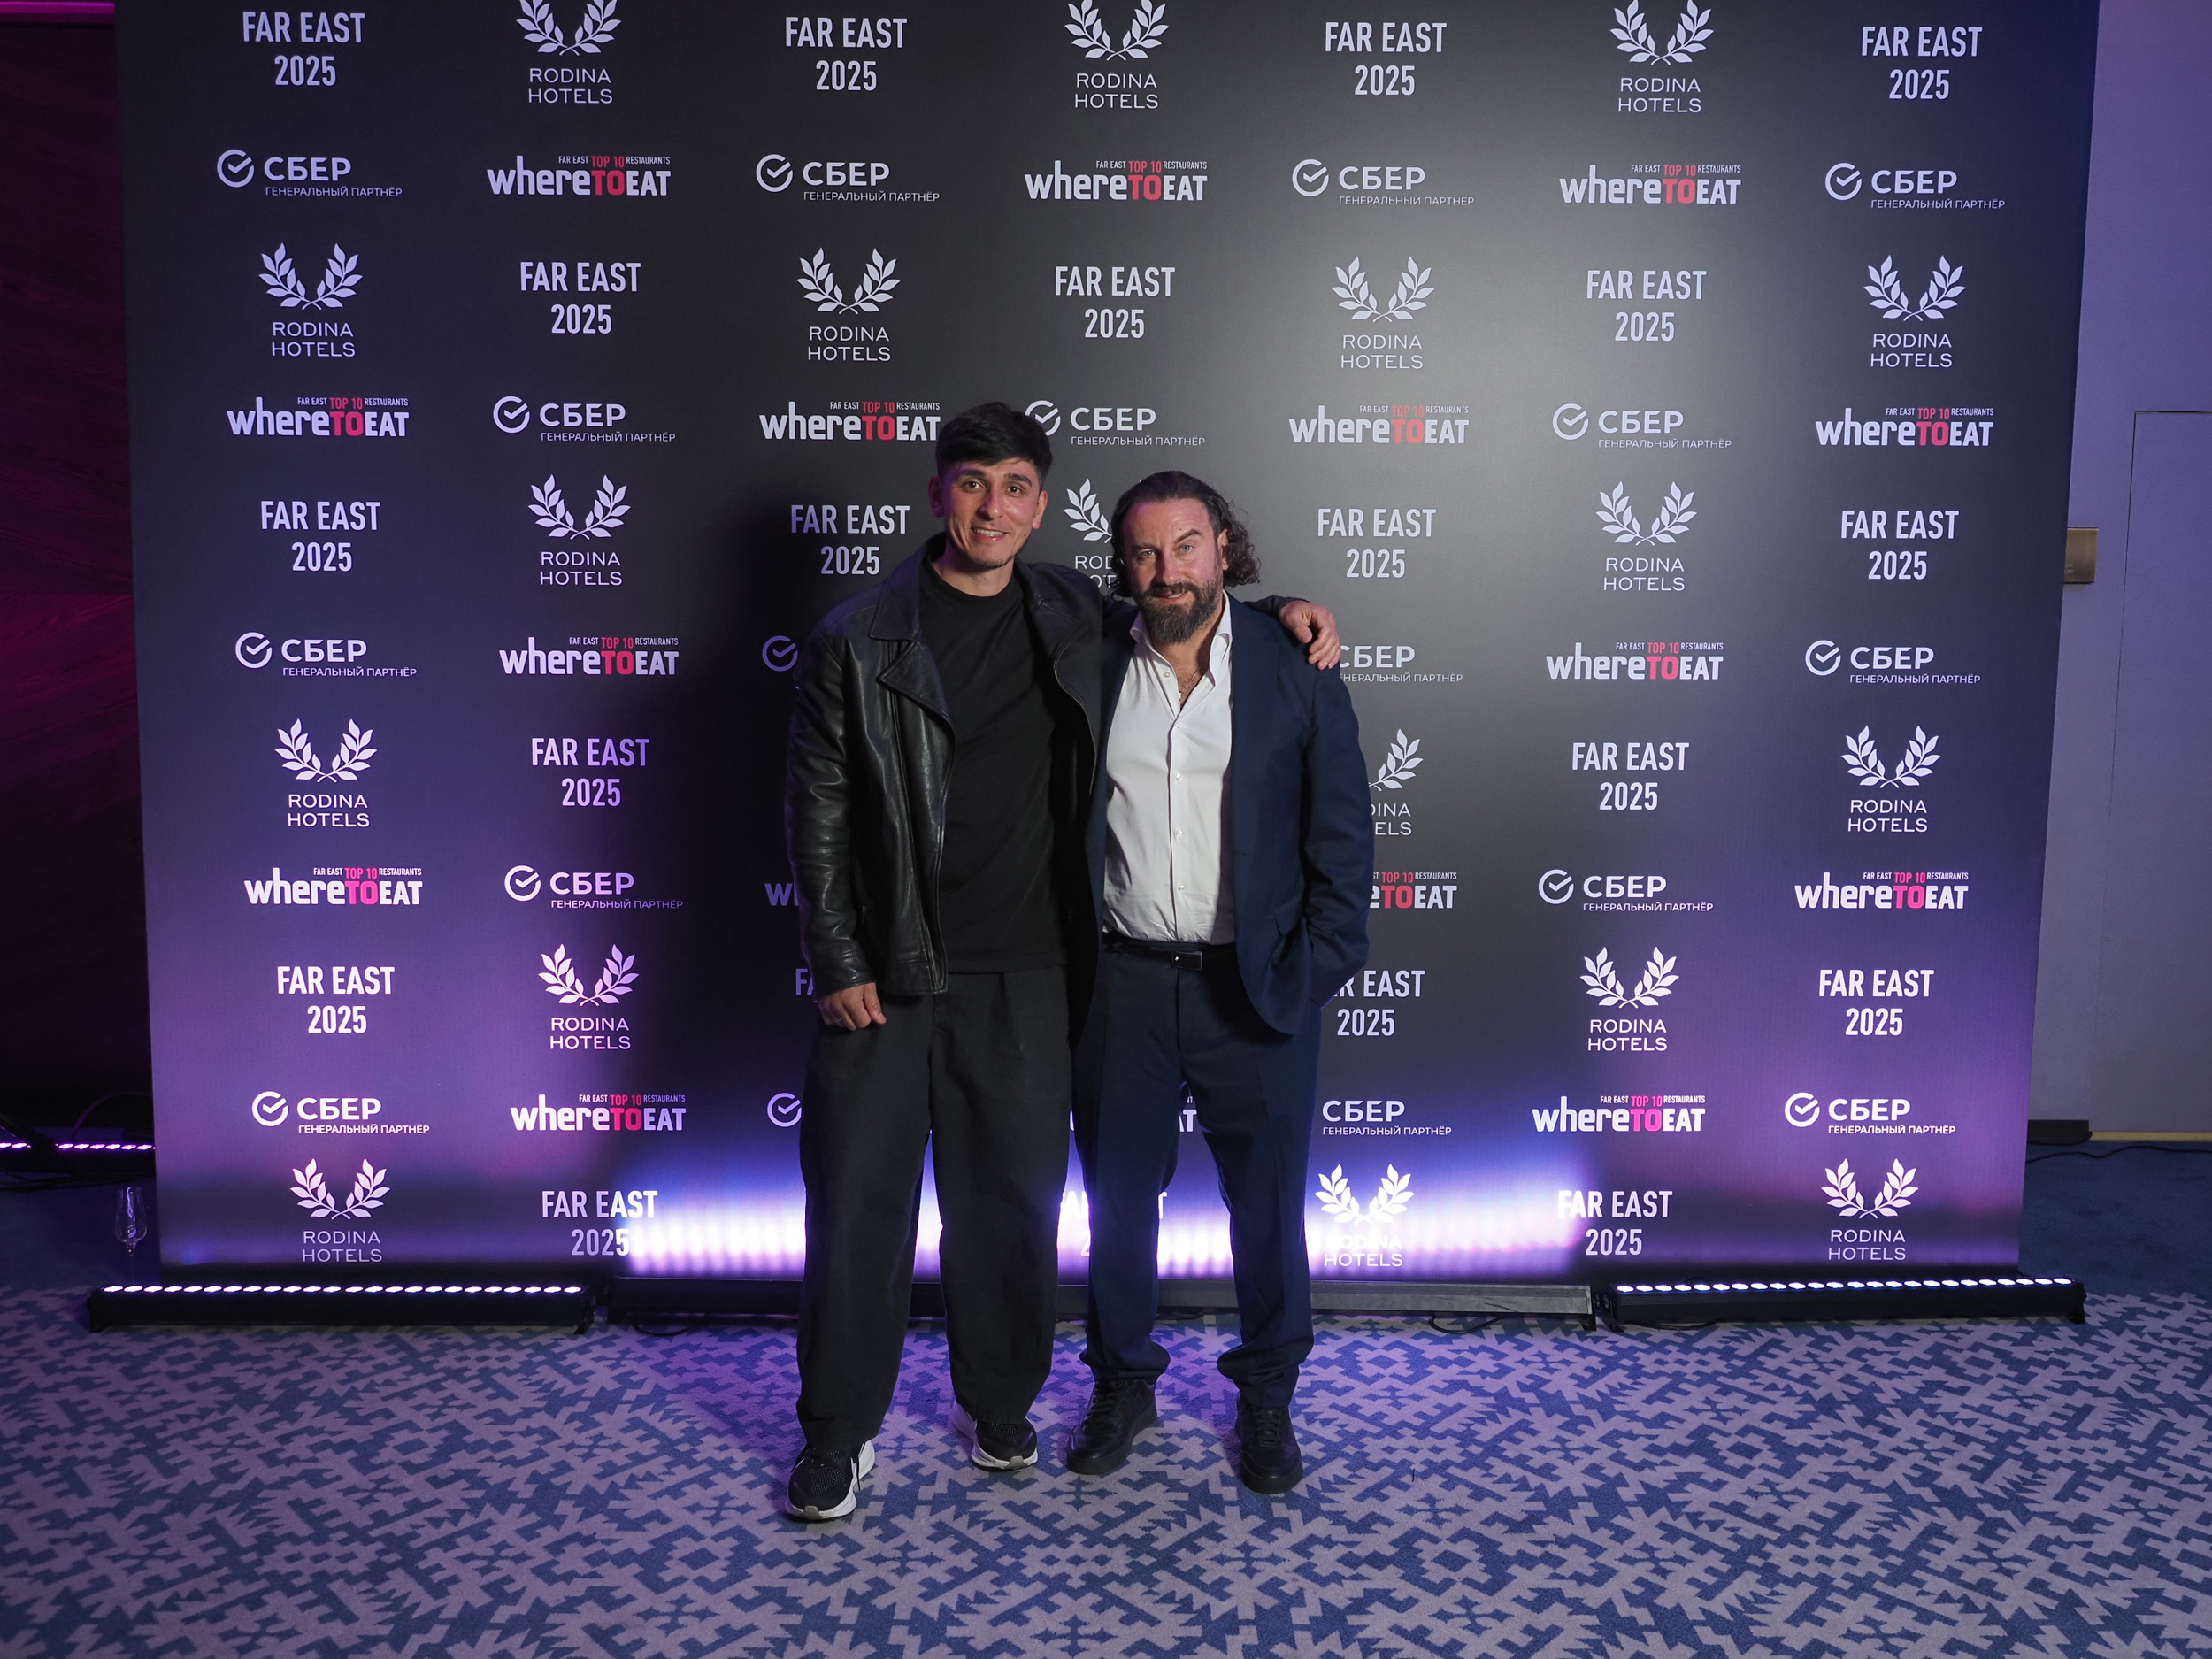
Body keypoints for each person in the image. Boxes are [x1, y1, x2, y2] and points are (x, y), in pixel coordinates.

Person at [780, 405, 1340, 1522]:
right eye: (972, 483)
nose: (992, 507)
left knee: (1011, 1212)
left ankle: (1001, 1407)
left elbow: (1188, 606)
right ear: (939, 493)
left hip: (1033, 972)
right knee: (858, 1215)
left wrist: (1285, 612)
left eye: (1015, 486)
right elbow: (820, 808)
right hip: (888, 970)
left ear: (1041, 505)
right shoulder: (858, 635)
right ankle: (838, 1436)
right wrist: (836, 953)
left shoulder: (1071, 610)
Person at [1066, 470, 1371, 1495]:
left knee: (1268, 1207)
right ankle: (1122, 1383)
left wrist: (1313, 967)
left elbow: (1342, 837)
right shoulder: (1085, 658)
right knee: (1117, 1204)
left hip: (1255, 985)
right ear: (1124, 564)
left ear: (1223, 549)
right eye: (1146, 552)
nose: (1168, 571)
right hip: (1122, 981)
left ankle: (1268, 1397)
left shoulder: (1293, 661)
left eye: (1187, 546)